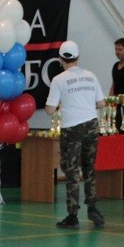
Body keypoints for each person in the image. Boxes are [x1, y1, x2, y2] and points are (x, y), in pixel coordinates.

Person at [46, 41, 106, 229]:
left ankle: (72, 215)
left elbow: (49, 110)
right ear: (78, 57)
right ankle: (93, 208)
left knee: (72, 171)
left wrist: (60, 104)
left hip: (72, 128)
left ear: (61, 59)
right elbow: (101, 103)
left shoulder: (58, 80)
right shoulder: (91, 76)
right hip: (91, 124)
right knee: (89, 168)